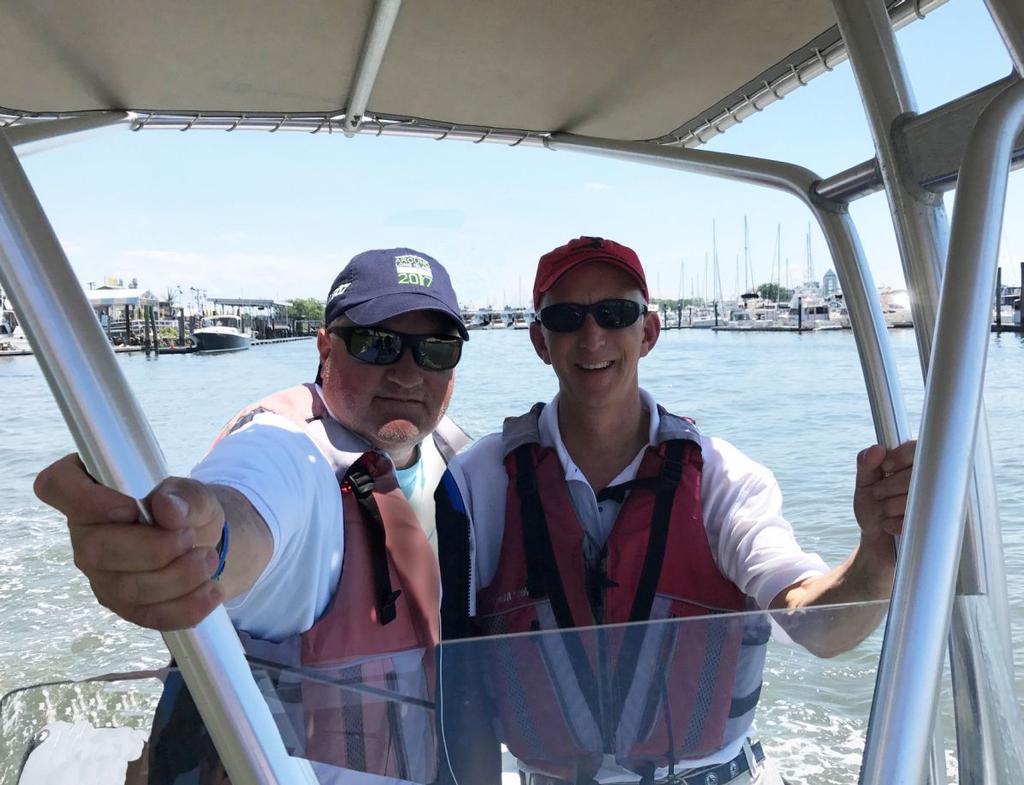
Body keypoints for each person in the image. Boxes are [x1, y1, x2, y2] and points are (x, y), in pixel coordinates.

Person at [434, 236, 915, 785]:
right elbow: (454, 672)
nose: (592, 336)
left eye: (616, 313)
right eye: (567, 317)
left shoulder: (725, 478)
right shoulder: (478, 482)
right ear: (540, 340)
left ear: (649, 332)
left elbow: (821, 629)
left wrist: (877, 548)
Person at [34, 248, 471, 784]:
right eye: (377, 344)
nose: (408, 373)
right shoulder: (290, 451)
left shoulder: (461, 460)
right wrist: (195, 545)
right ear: (325, 350)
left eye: (435, 349)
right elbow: (246, 508)